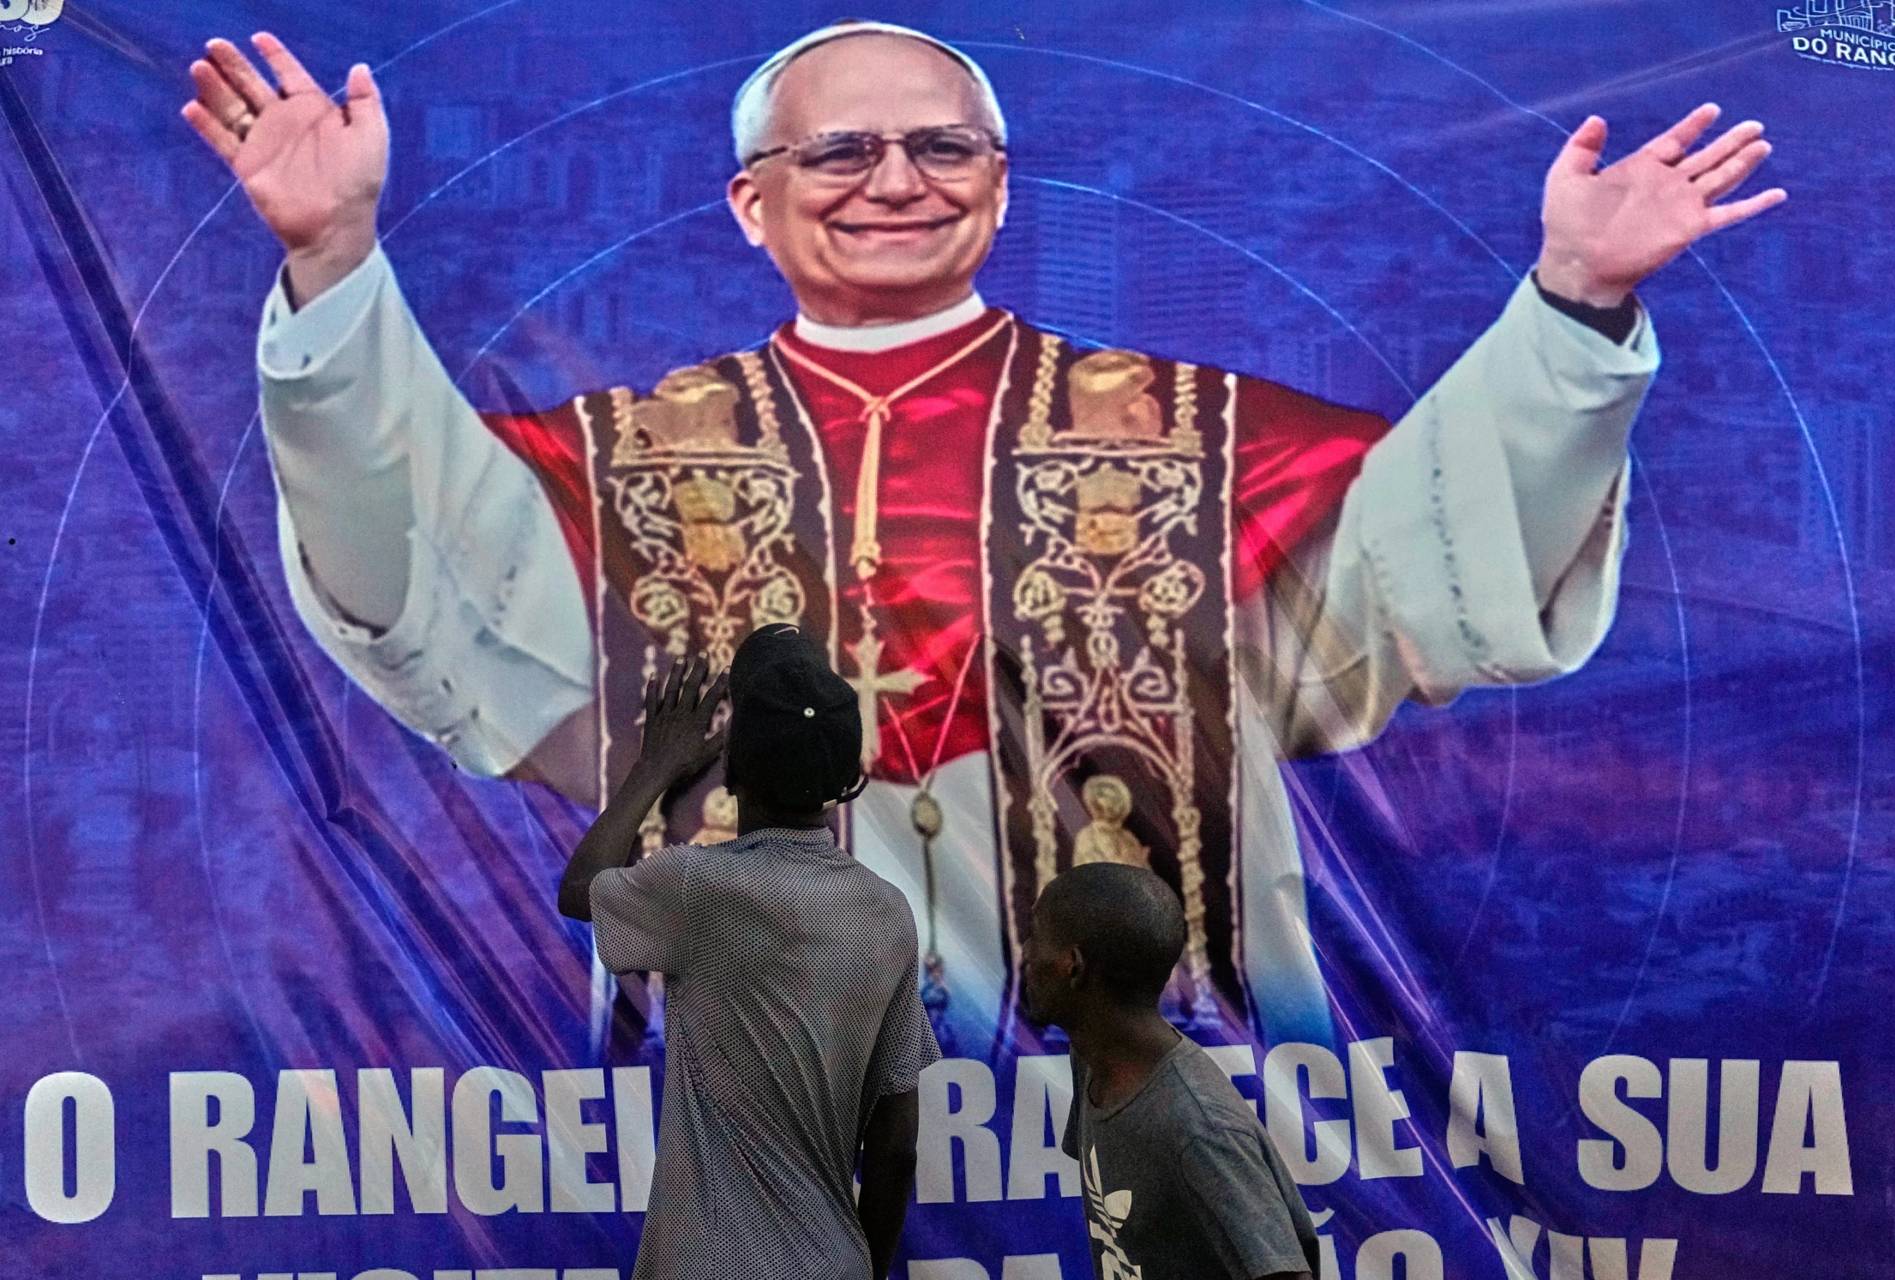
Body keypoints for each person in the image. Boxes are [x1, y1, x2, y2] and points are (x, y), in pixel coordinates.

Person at [181, 21, 1784, 1048]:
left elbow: (1426, 565)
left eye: (942, 146)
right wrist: (335, 264)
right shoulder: (618, 463)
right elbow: (417, 579)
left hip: (1152, 1078)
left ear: (1000, 190)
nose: (896, 179)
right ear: (752, 202)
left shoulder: (1195, 437)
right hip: (766, 1111)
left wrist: (1575, 305)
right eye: (841, 150)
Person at [557, 625, 940, 1280]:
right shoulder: (887, 916)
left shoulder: (697, 890)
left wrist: (658, 765)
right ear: (847, 778)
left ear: (730, 771)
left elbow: (579, 889)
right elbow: (895, 1142)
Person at [1022, 862, 1318, 1280]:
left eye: (1036, 937)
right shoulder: (1092, 1060)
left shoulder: (1199, 1129)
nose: (1027, 953)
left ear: (1074, 965)